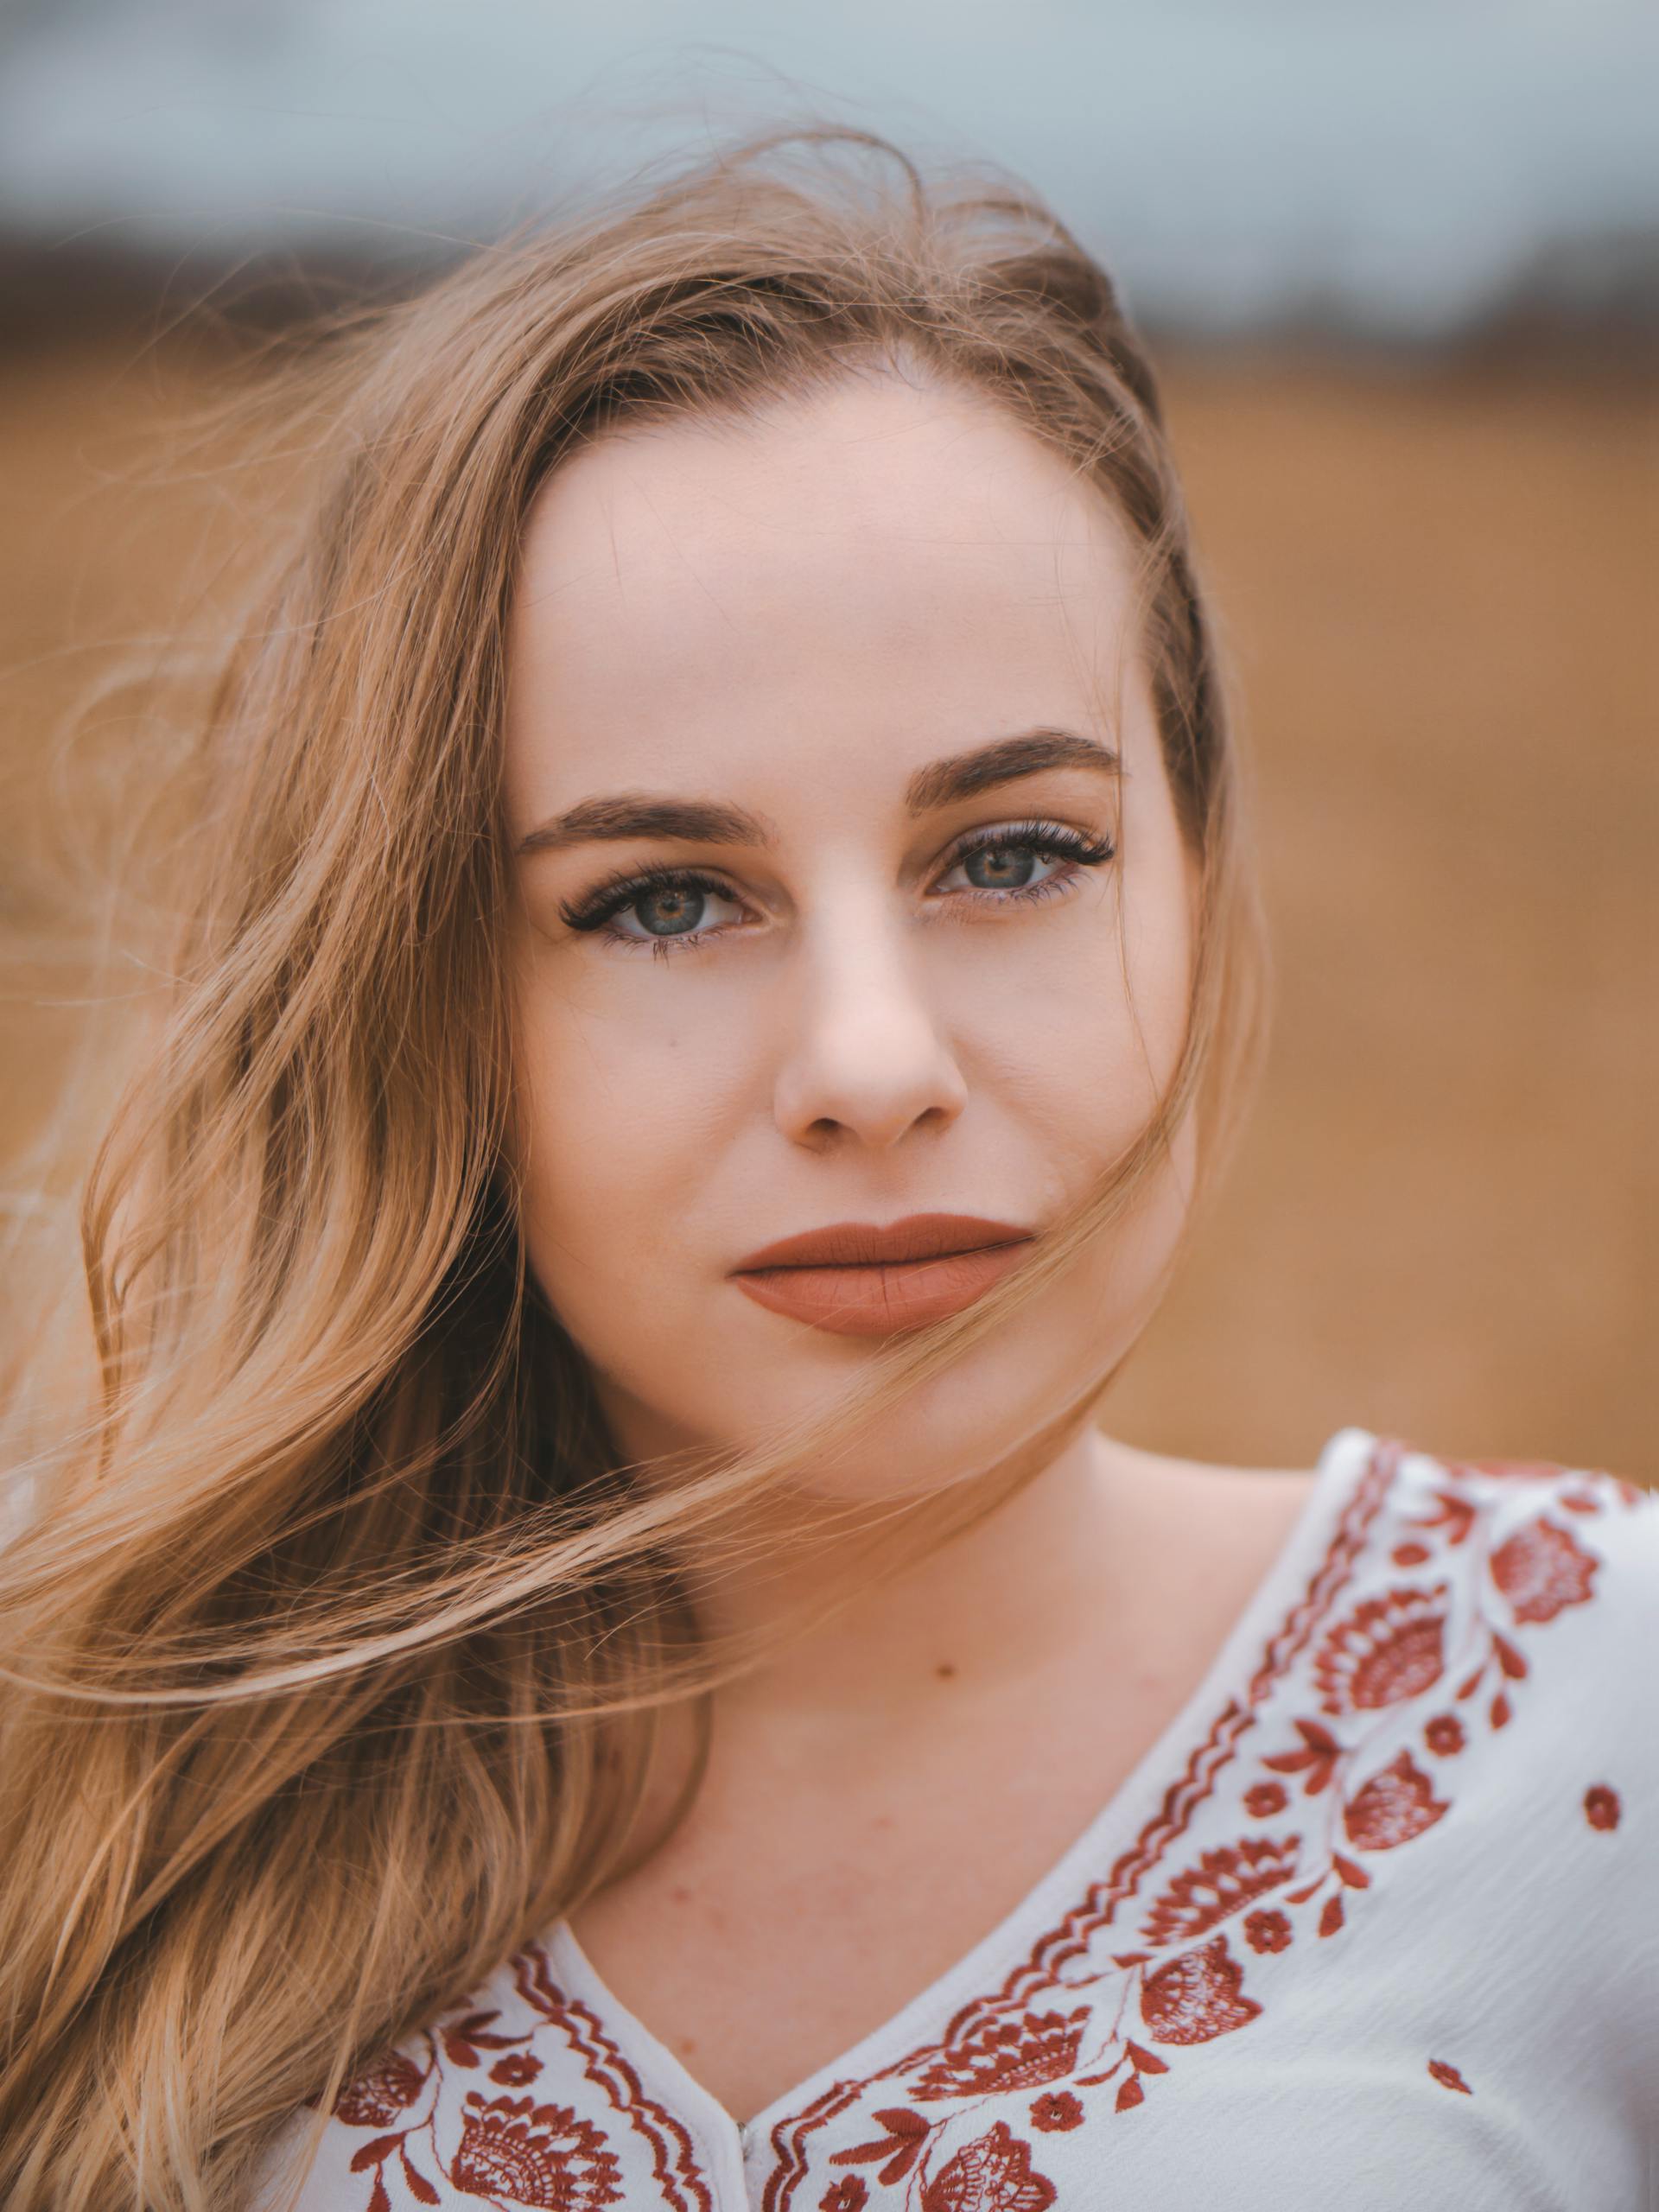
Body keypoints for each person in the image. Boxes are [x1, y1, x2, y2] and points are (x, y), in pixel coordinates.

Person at [0, 126, 1650, 2212]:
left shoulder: (1602, 1710)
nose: (874, 1063)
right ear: (422, 991)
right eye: (666, 898)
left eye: (1016, 855)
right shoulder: (81, 1728)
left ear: (1198, 882)